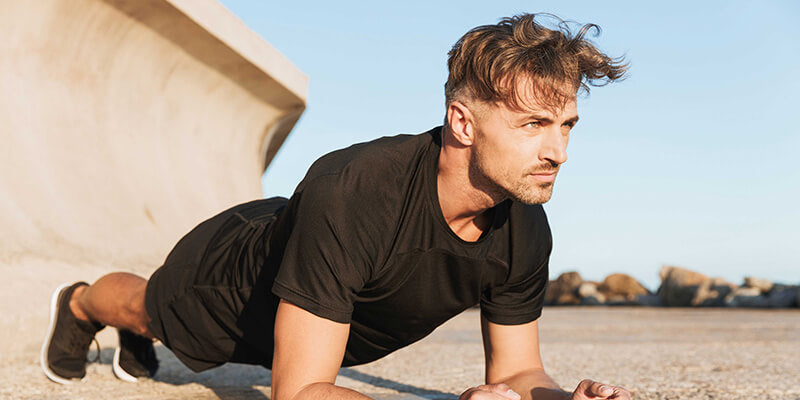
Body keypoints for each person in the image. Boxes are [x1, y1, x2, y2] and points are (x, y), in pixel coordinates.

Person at [41, 13, 630, 400]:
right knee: (149, 310)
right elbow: (300, 393)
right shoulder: (356, 191)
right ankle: (81, 303)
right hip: (231, 284)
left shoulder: (524, 223)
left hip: (318, 291)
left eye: (566, 126)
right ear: (462, 123)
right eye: (534, 125)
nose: (558, 152)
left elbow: (517, 373)